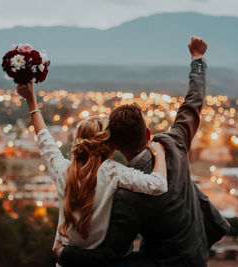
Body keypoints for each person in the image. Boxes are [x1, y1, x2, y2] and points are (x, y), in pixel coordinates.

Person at [57, 36, 212, 267]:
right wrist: (197, 58)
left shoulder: (126, 192)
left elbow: (110, 254)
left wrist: (63, 254)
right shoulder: (175, 142)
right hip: (199, 249)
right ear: (148, 132)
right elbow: (194, 99)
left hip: (166, 262)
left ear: (115, 146)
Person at [16, 81, 169, 264]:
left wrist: (31, 101)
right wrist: (159, 154)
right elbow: (159, 185)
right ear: (112, 145)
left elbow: (44, 138)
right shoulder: (112, 172)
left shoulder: (62, 169)